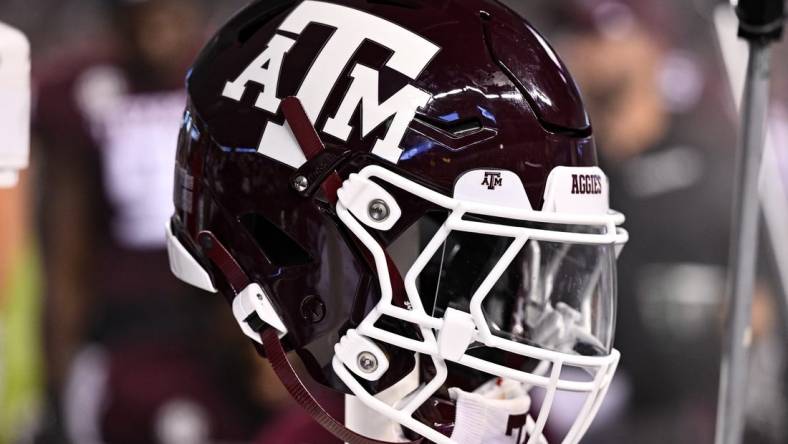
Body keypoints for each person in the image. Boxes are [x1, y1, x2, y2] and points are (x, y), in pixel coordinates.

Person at [33, 1, 267, 442]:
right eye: (138, 22)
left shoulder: (239, 83)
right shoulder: (83, 93)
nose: (153, 39)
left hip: (223, 332)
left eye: (169, 18)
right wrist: (57, 393)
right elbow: (64, 263)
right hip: (126, 333)